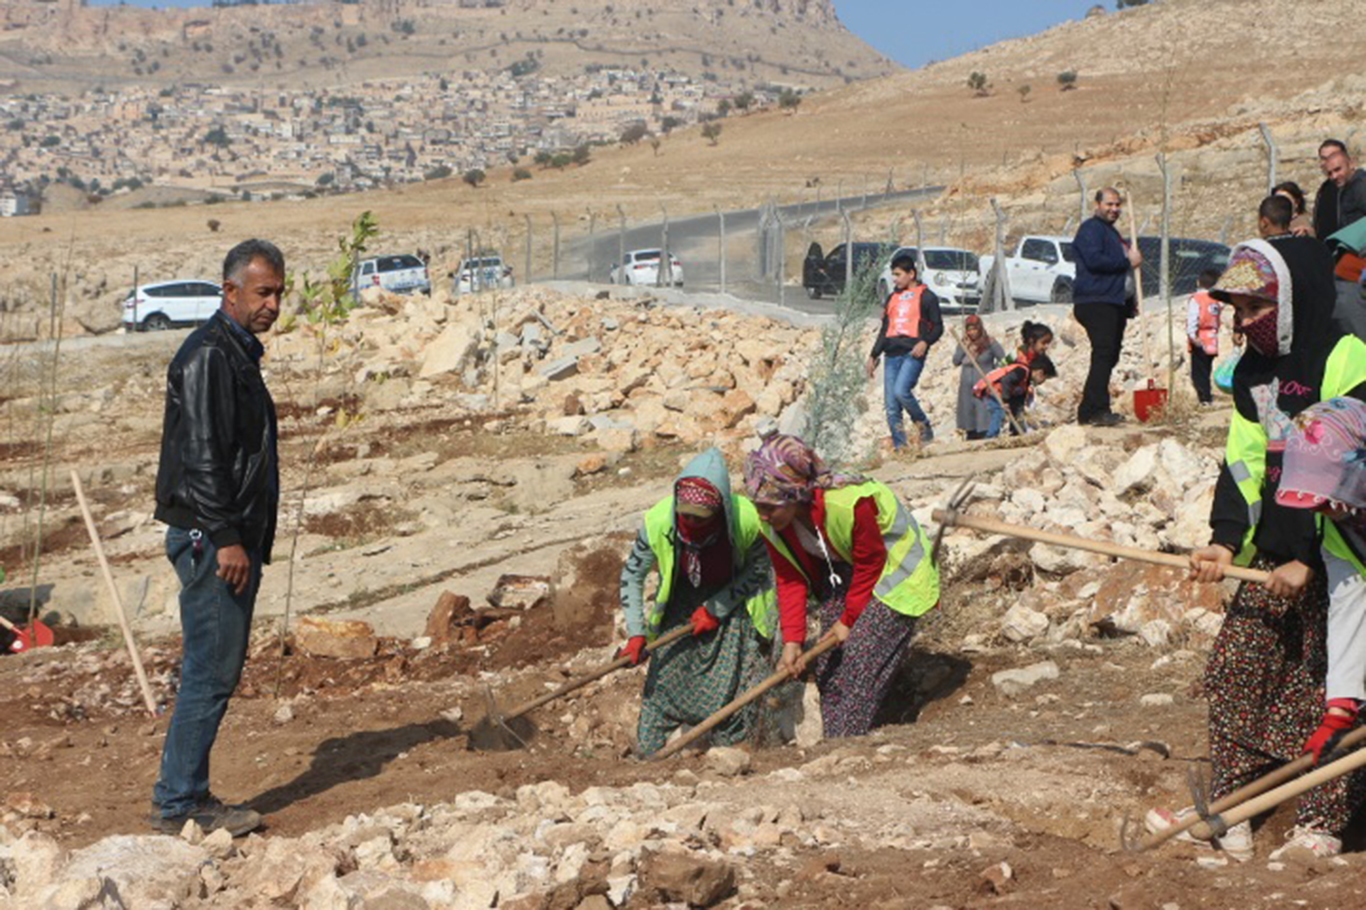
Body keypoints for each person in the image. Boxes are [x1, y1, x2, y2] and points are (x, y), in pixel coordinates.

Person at [1155, 238, 1366, 862]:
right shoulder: (1251, 372)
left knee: (1332, 685)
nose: (1242, 322)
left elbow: (1343, 469)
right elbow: (1246, 464)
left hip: (1344, 554)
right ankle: (1229, 810)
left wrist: (1310, 553)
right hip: (1276, 550)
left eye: (1253, 308)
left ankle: (1319, 825)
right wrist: (1224, 541)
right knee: (1236, 669)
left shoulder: (1344, 356)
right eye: (1237, 310)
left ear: (1291, 300)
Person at [151, 239, 284, 837]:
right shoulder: (209, 355)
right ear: (229, 291)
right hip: (213, 541)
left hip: (225, 536)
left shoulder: (233, 353)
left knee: (214, 667)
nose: (274, 305)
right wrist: (228, 536)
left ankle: (186, 794)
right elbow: (204, 457)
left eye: (279, 292)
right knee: (209, 670)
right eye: (263, 293)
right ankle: (181, 803)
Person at [742, 434, 939, 738]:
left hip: (897, 570)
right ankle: (836, 740)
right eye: (758, 506)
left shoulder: (849, 502)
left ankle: (848, 744)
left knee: (858, 660)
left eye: (770, 507)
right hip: (849, 570)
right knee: (827, 664)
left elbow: (872, 561)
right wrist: (793, 641)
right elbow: (789, 579)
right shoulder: (773, 524)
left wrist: (848, 620)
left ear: (794, 494)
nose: (763, 515)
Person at [617, 448, 776, 757]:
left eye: (699, 518)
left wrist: (717, 607)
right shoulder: (659, 521)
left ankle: (729, 754)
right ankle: (650, 754)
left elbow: (759, 568)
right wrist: (636, 632)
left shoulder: (746, 520)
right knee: (663, 682)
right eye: (684, 515)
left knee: (729, 686)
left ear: (720, 513)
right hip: (680, 598)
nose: (689, 522)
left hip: (731, 599)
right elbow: (632, 575)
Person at [1277, 398, 1366, 769]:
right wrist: (1340, 709)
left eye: (1327, 496)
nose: (1320, 509)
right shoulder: (1338, 532)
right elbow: (1350, 609)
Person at [1072, 187, 1142, 427]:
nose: (1114, 209)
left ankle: (1089, 409)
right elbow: (1094, 260)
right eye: (1109, 204)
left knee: (1109, 356)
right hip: (1096, 301)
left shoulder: (1111, 233)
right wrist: (1126, 260)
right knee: (1103, 353)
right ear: (1097, 205)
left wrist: (1131, 301)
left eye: (1117, 205)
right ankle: (1097, 410)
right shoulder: (1091, 229)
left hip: (1114, 303)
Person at [866, 254, 943, 448]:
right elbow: (885, 329)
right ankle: (901, 448)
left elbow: (938, 326)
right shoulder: (892, 298)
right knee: (892, 406)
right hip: (891, 355)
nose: (895, 279)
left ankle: (923, 426)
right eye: (893, 274)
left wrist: (925, 342)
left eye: (898, 274)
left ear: (911, 274)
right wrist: (874, 354)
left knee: (901, 391)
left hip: (912, 353)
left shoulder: (927, 297)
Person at [975, 352, 1057, 438]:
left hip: (1002, 394)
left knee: (1016, 412)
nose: (1043, 382)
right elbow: (1006, 381)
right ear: (1040, 373)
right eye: (1045, 378)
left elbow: (1019, 398)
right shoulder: (1021, 372)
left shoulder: (1026, 380)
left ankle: (1015, 433)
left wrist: (1019, 409)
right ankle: (990, 436)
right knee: (999, 411)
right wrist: (1005, 400)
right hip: (994, 391)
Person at [951, 315, 1005, 440]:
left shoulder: (990, 343)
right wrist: (962, 347)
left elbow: (1004, 360)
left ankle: (986, 434)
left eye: (974, 329)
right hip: (966, 386)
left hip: (983, 386)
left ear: (980, 329)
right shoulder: (964, 343)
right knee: (968, 411)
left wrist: (993, 374)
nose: (972, 333)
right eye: (969, 330)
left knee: (983, 411)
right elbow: (956, 361)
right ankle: (971, 434)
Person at [1186, 269, 1224, 406]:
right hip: (1212, 338)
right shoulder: (1216, 300)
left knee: (1199, 371)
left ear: (1198, 282)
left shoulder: (1196, 299)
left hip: (1200, 338)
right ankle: (1207, 395)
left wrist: (1192, 336)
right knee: (1207, 369)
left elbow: (1193, 319)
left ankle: (1204, 398)